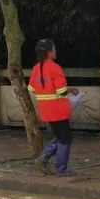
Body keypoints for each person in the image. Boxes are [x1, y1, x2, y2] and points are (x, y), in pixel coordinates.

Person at [28, 38, 79, 176]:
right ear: (49, 52)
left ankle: (43, 159)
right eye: (54, 49)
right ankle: (60, 168)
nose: (56, 51)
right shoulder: (55, 68)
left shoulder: (36, 68)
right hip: (58, 109)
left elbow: (31, 88)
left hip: (45, 110)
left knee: (61, 136)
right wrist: (72, 89)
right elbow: (61, 91)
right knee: (65, 137)